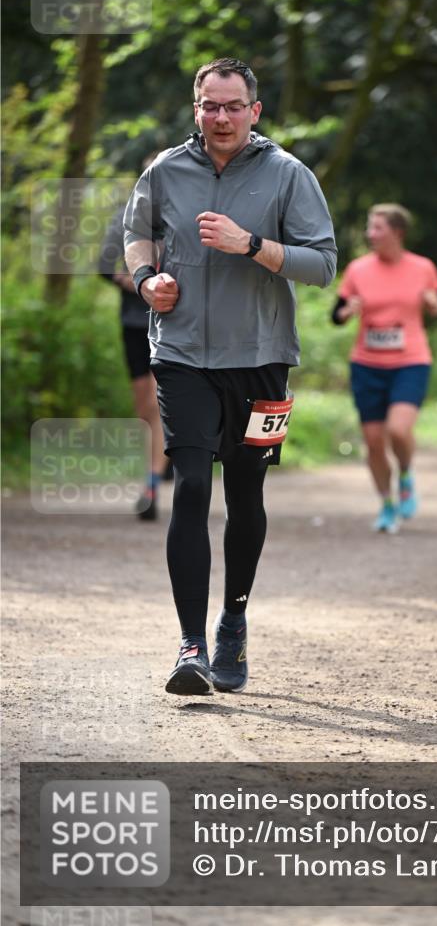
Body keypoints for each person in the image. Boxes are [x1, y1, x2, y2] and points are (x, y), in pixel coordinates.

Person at [123, 57, 336, 696]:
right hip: (182, 354)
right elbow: (136, 237)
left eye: (232, 106)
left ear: (254, 111)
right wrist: (146, 280)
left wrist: (252, 245)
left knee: (245, 496)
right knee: (190, 483)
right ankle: (189, 647)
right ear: (196, 108)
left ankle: (233, 621)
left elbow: (322, 264)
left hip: (263, 359)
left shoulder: (288, 175)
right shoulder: (165, 170)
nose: (220, 117)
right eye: (209, 106)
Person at [332, 204, 437, 534]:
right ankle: (386, 504)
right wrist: (347, 312)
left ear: (398, 232)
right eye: (369, 227)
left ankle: (406, 474)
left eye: (377, 228)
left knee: (398, 430)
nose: (370, 234)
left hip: (410, 361)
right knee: (374, 441)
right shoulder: (358, 269)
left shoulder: (422, 267)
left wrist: (435, 304)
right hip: (367, 364)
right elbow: (336, 315)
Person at [99, 175, 170, 521]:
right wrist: (131, 281)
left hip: (172, 325)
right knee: (144, 406)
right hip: (133, 323)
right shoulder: (124, 219)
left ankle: (151, 485)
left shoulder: (185, 215)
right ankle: (163, 458)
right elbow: (102, 266)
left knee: (159, 402)